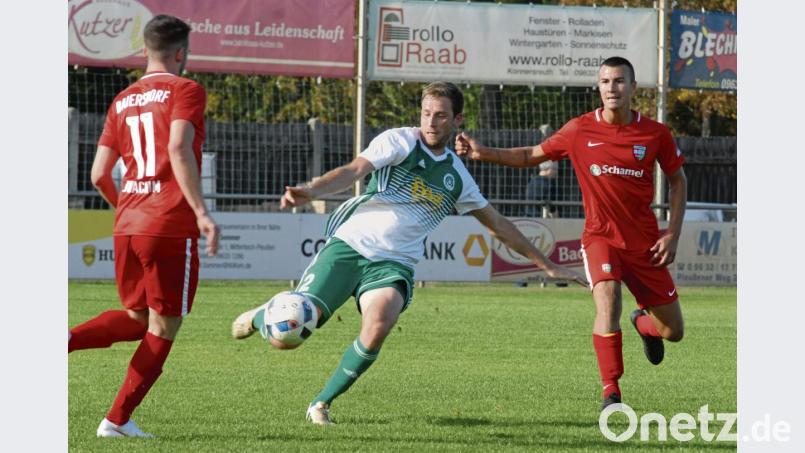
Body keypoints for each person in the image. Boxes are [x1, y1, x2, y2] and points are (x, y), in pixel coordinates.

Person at [231, 81, 588, 425]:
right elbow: (353, 170)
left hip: (393, 264)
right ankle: (264, 315)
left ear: (458, 120)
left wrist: (548, 265)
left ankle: (321, 403)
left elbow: (498, 223)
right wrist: (311, 190)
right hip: (350, 246)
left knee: (379, 324)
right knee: (287, 338)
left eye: (441, 115)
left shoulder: (457, 176)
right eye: (426, 113)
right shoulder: (399, 140)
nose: (431, 122)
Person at [455, 56, 688, 410]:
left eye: (620, 81)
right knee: (608, 301)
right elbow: (531, 154)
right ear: (599, 87)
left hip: (645, 245)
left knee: (674, 332)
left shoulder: (656, 134)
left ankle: (643, 324)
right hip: (601, 239)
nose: (613, 87)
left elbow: (677, 181)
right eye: (606, 81)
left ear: (633, 88)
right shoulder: (580, 129)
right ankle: (611, 392)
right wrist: (483, 152)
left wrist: (672, 233)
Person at [68, 15, 219, 438]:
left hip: (128, 224)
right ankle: (116, 421)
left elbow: (99, 174)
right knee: (163, 325)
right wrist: (202, 212)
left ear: (145, 51)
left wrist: (128, 210)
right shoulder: (186, 89)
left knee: (137, 317)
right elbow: (177, 146)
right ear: (181, 53)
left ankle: (63, 339)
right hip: (167, 223)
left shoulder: (123, 99)